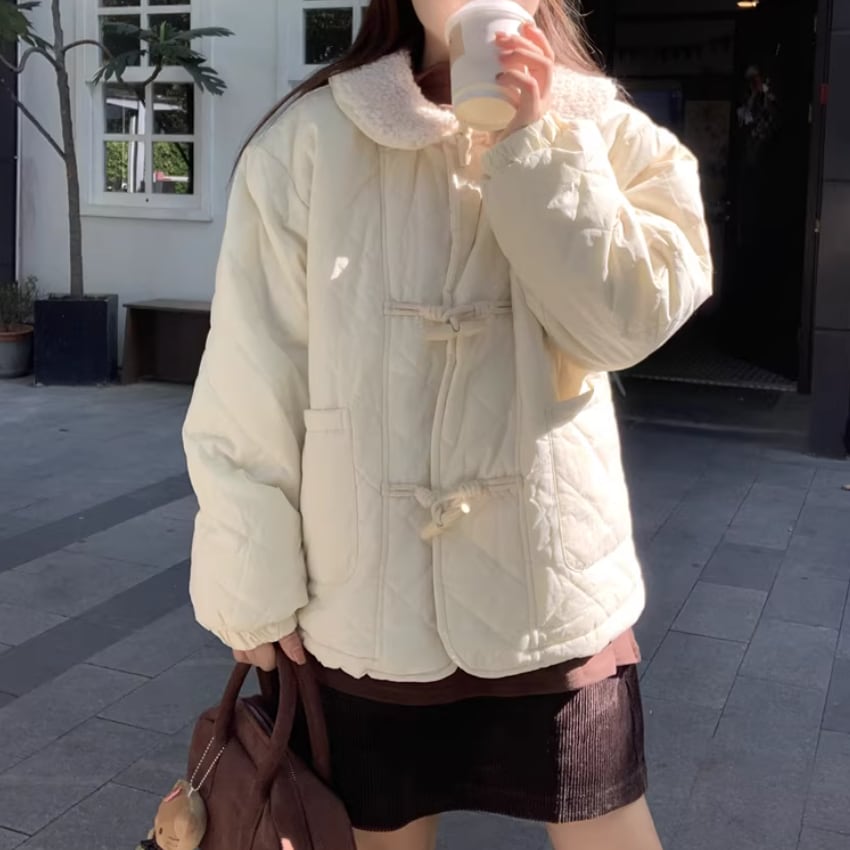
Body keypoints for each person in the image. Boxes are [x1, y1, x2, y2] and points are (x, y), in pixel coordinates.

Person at [182, 1, 712, 848]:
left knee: (608, 827)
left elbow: (622, 328)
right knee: (378, 833)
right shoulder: (309, 141)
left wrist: (535, 145)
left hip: (553, 583)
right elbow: (252, 375)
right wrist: (252, 580)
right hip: (367, 592)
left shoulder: (609, 132)